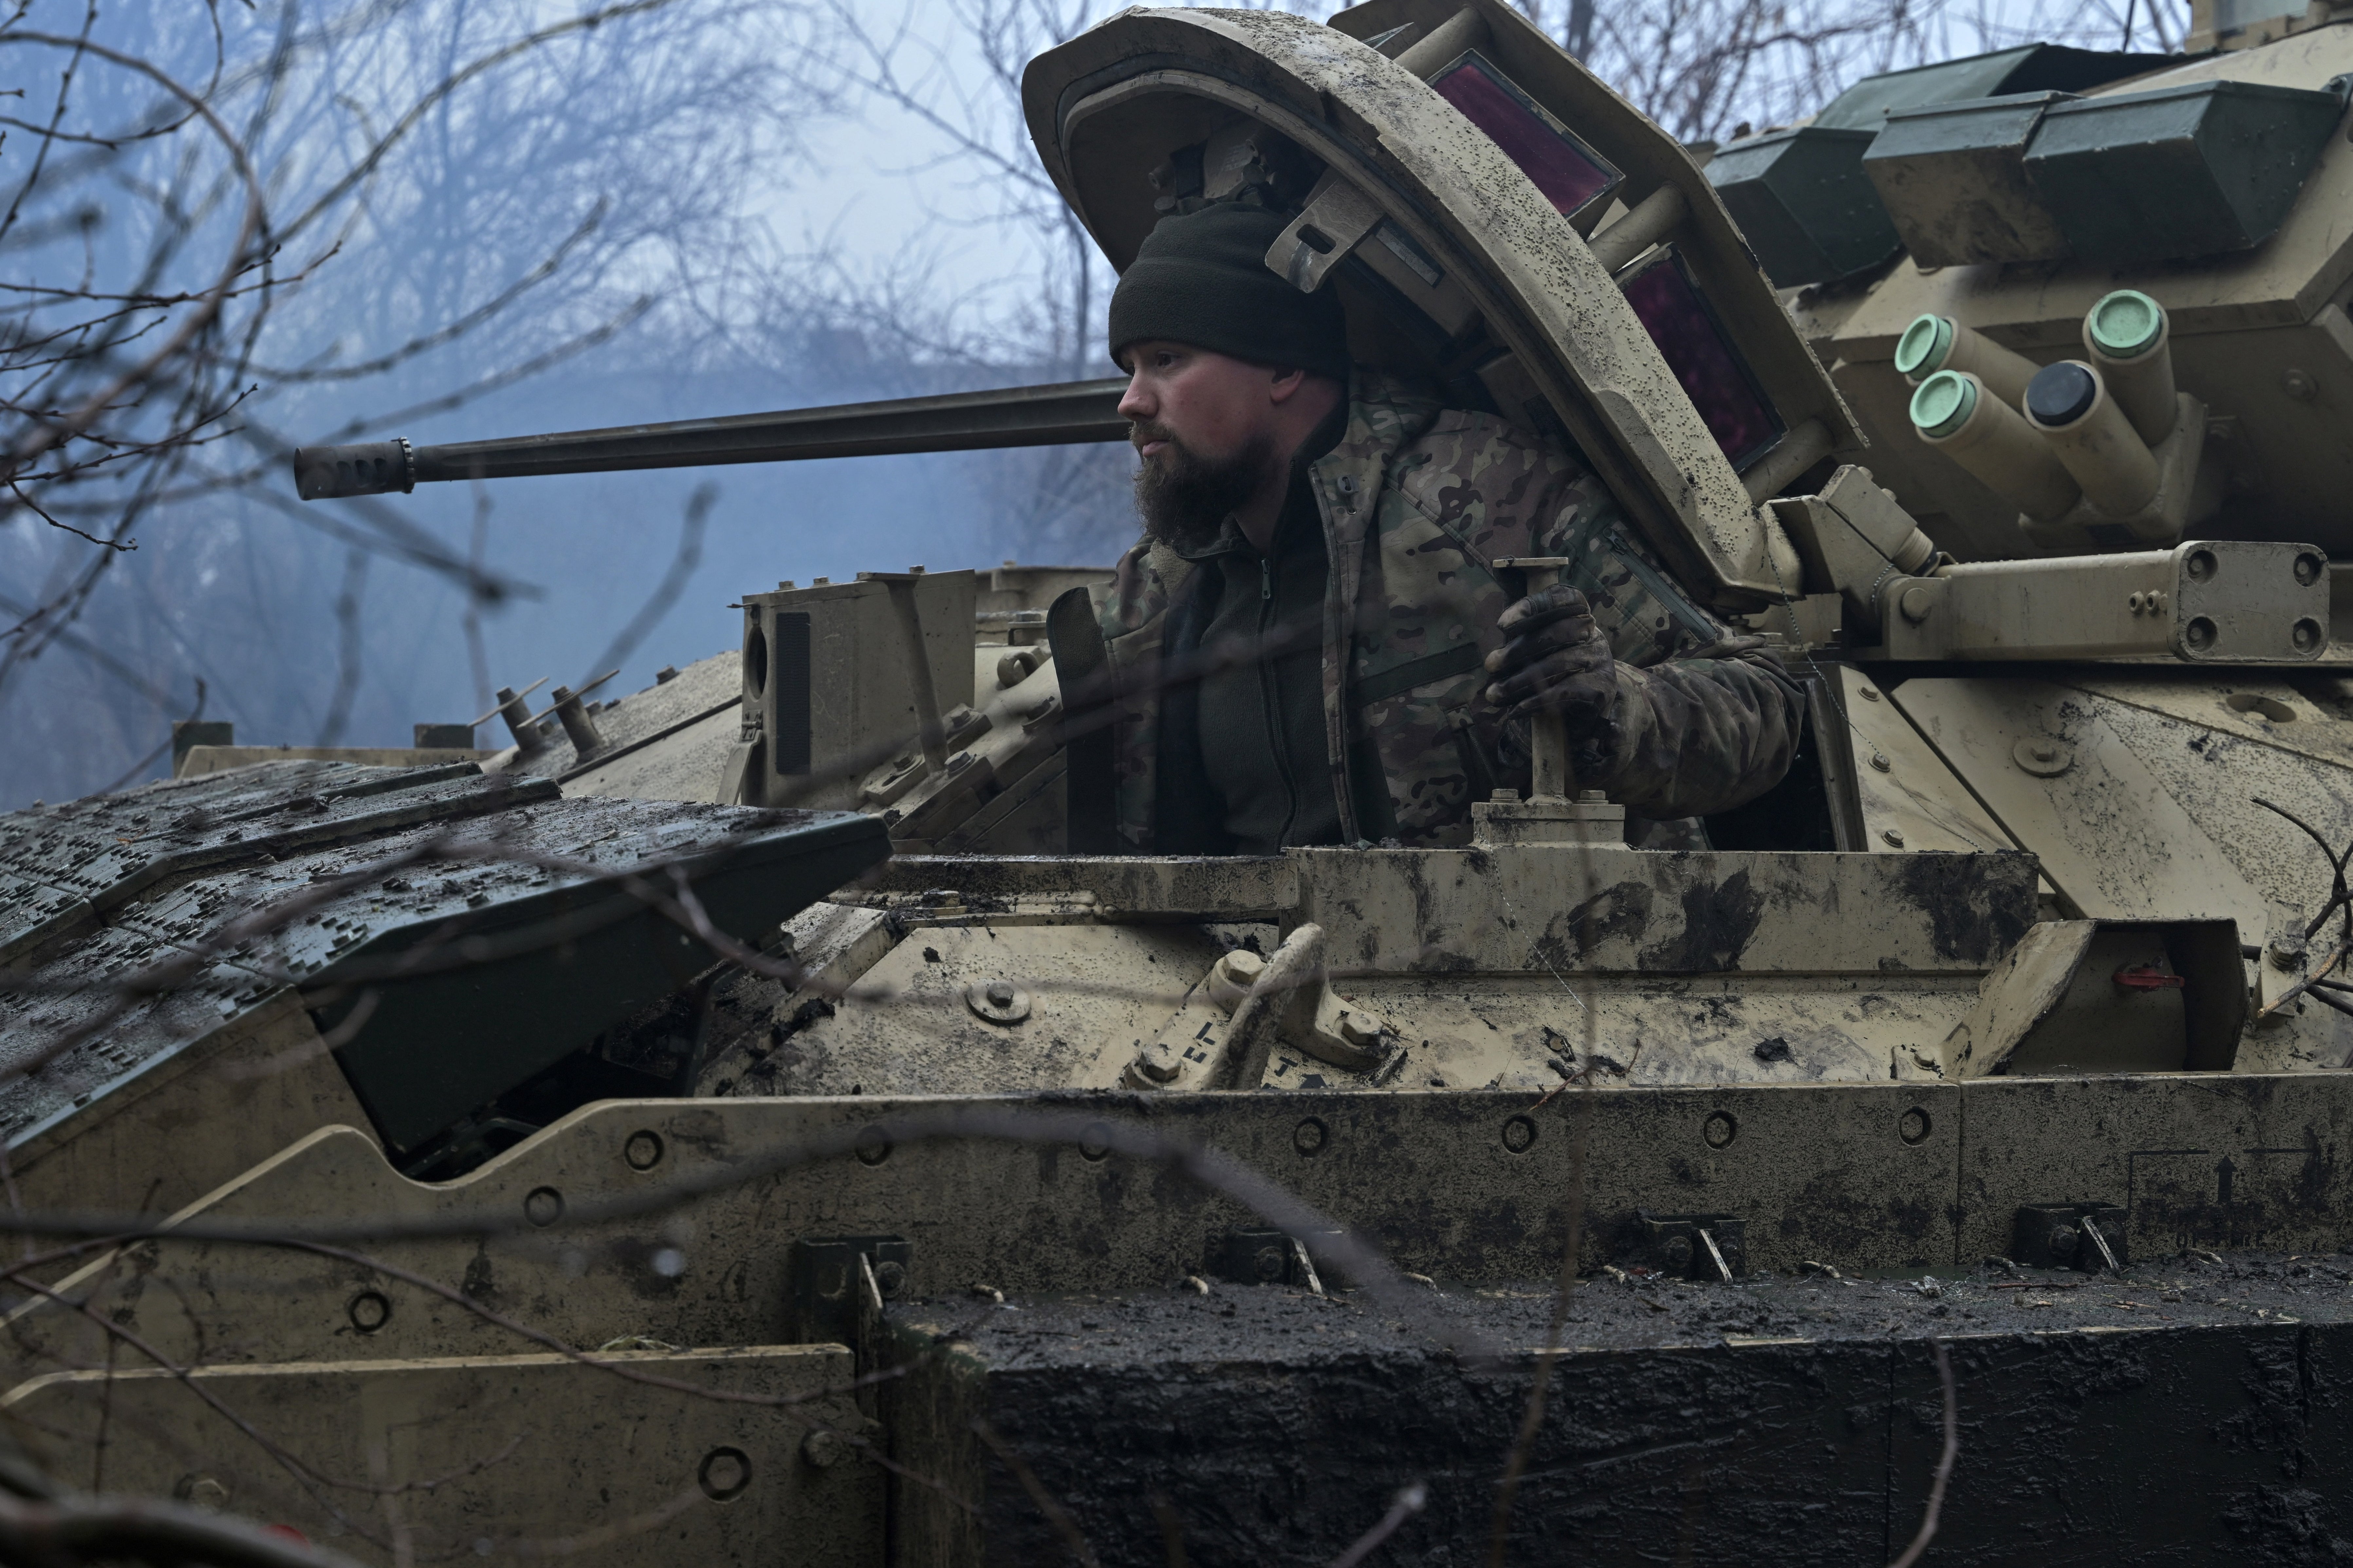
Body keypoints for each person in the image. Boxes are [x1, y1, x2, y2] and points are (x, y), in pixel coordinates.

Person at [1095, 201, 1802, 854]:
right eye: (1129, 368)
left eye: (1166, 360)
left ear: (1281, 366)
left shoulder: (1488, 495)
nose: (1132, 400)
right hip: (1247, 982)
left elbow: (1763, 706)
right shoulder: (1157, 591)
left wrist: (1615, 708)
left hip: (1530, 976)